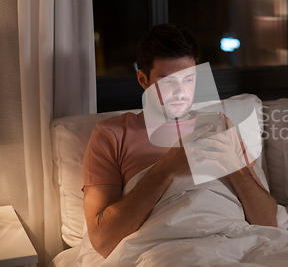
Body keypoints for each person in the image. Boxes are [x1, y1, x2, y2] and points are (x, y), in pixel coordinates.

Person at [82, 23, 277, 258]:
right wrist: (168, 167)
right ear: (143, 80)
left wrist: (234, 165)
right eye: (167, 81)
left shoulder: (219, 124)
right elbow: (103, 241)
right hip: (167, 249)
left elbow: (268, 221)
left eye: (188, 79)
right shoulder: (112, 135)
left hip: (234, 242)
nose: (180, 92)